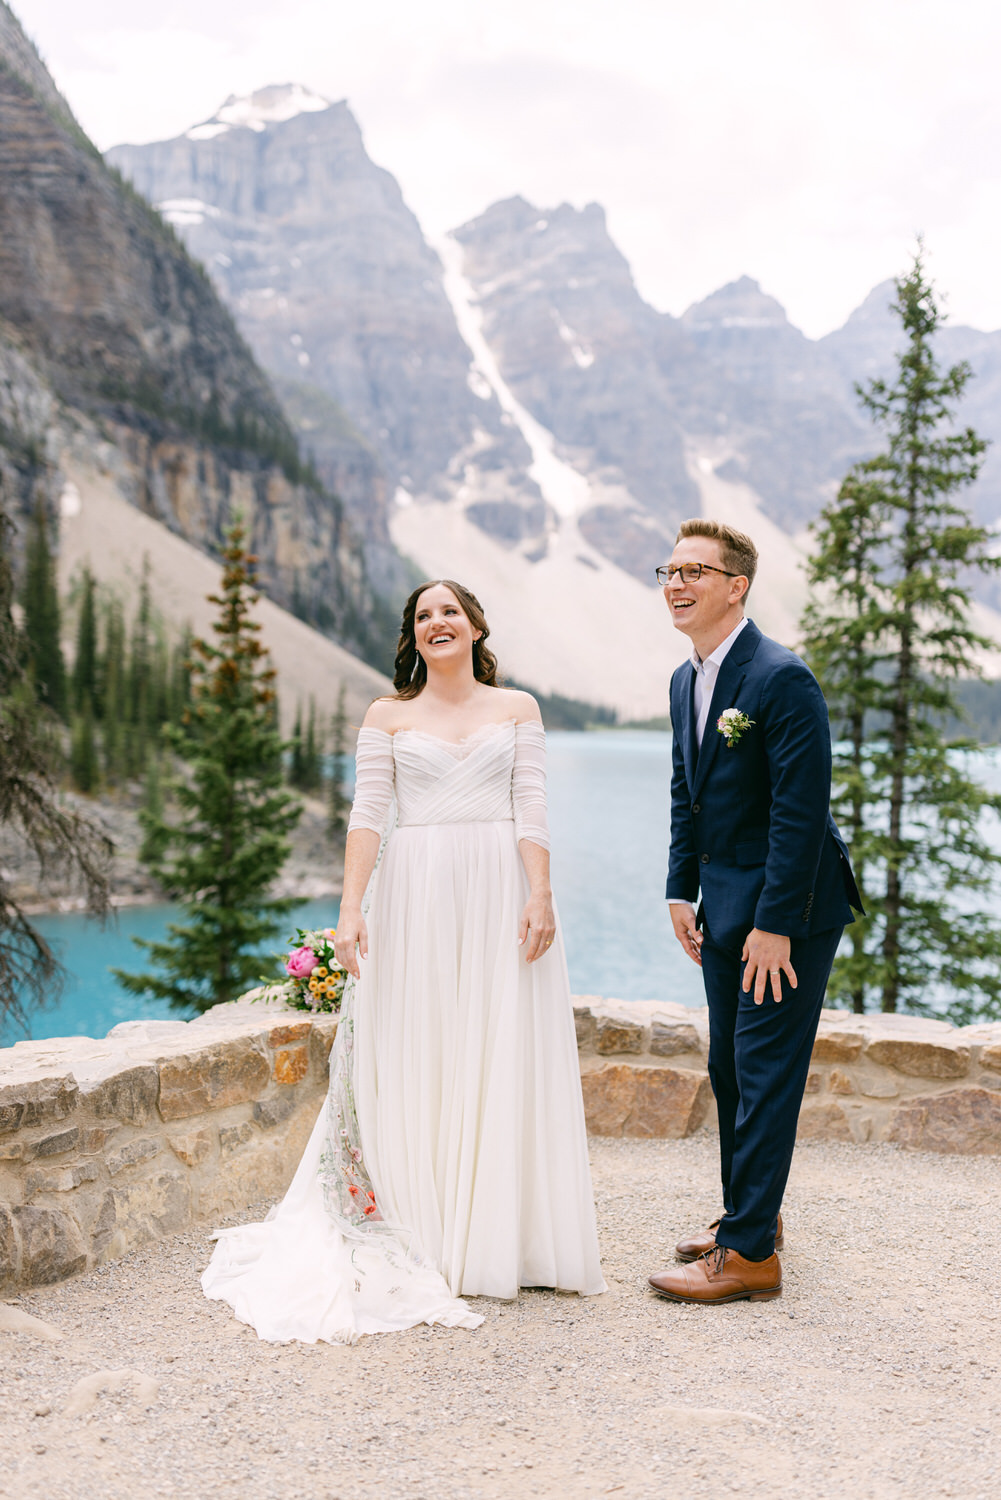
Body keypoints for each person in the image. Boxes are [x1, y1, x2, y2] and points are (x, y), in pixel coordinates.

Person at [202, 579, 604, 1342]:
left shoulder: (517, 709)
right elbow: (368, 819)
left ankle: (497, 1239)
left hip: (496, 892)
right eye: (423, 616)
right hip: (411, 896)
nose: (437, 623)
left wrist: (540, 894)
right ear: (412, 636)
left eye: (449, 610)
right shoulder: (387, 717)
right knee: (415, 1051)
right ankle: (421, 1224)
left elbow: (531, 808)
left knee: (495, 1048)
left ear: (476, 626)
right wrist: (351, 911)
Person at [648, 520, 861, 1305]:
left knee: (765, 1073)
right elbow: (686, 792)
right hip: (721, 903)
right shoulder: (685, 679)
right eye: (668, 570)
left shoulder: (780, 678)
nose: (675, 584)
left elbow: (800, 814)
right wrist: (679, 888)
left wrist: (774, 925)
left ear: (735, 586)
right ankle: (750, 1218)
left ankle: (748, 1260)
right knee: (730, 1069)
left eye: (694, 572)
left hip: (789, 910)